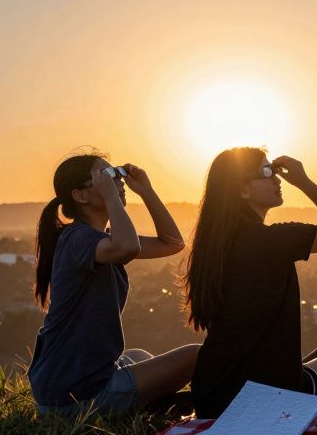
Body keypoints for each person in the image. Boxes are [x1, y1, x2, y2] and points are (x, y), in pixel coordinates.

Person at [181, 148, 317, 419]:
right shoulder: (271, 241)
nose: (276, 179)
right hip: (268, 401)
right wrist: (303, 181)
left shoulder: (213, 247)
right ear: (241, 191)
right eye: (266, 172)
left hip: (212, 397)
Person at [28, 153, 200, 416]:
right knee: (195, 355)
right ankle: (153, 406)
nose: (117, 182)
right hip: (73, 398)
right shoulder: (80, 239)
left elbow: (172, 244)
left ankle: (147, 405)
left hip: (68, 384)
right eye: (107, 177)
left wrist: (147, 192)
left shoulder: (99, 241)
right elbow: (128, 246)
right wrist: (111, 196)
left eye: (117, 175)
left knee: (139, 355)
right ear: (80, 195)